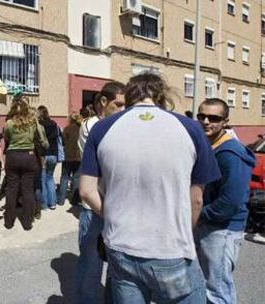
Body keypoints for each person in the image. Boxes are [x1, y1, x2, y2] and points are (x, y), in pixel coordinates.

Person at [79, 73, 221, 303]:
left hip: (121, 246)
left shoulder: (102, 128)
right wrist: (184, 231)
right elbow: (196, 199)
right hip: (171, 246)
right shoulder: (191, 129)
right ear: (161, 95)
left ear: (129, 95)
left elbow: (86, 191)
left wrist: (115, 216)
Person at [195, 98, 256, 304]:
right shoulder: (209, 146)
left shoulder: (231, 153)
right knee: (208, 284)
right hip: (208, 225)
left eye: (213, 118)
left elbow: (230, 201)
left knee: (218, 290)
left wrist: (198, 214)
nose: (206, 121)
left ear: (225, 121)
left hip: (222, 230)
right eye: (201, 116)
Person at [76, 81, 125, 304]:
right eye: (119, 105)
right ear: (103, 102)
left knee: (119, 268)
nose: (124, 111)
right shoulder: (92, 126)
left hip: (119, 207)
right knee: (91, 267)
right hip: (95, 208)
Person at [4, 97, 47, 230]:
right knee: (28, 190)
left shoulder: (9, 123)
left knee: (11, 189)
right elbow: (40, 139)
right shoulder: (32, 122)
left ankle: (9, 221)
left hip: (12, 156)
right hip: (29, 156)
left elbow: (7, 139)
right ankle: (27, 222)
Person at [37, 105, 59, 210]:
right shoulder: (54, 124)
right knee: (50, 179)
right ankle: (53, 203)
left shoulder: (40, 125)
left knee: (43, 179)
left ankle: (44, 204)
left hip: (44, 155)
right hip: (54, 154)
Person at [57, 112, 82, 206]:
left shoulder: (67, 129)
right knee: (76, 178)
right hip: (79, 156)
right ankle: (75, 201)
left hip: (68, 156)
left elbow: (63, 142)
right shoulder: (82, 128)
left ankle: (61, 200)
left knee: (64, 178)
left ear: (70, 119)